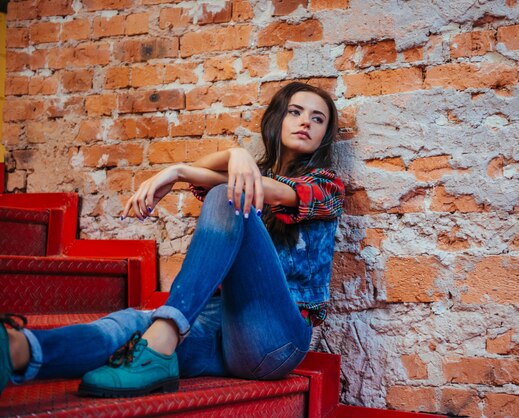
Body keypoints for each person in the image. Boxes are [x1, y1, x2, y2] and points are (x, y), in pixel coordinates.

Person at [0, 82, 345, 398]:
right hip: (221, 331)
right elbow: (207, 172)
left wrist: (226, 163)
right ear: (278, 119)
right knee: (131, 325)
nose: (305, 123)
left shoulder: (327, 188)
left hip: (277, 342)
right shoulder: (252, 172)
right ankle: (18, 349)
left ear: (325, 134)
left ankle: (166, 331)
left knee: (227, 195)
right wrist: (188, 168)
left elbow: (271, 192)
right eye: (295, 112)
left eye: (318, 119)